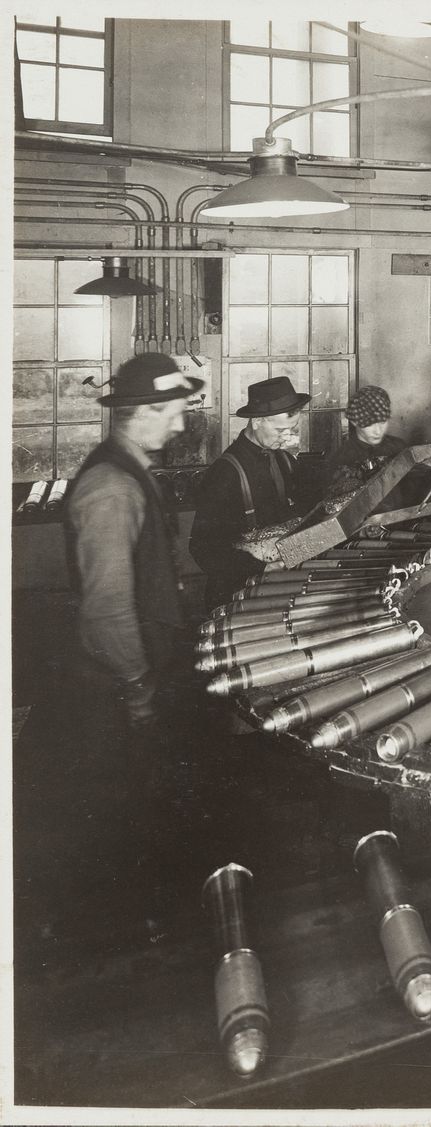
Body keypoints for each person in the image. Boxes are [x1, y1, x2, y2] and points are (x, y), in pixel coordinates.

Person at [46, 353, 201, 938]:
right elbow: (108, 611)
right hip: (113, 688)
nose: (182, 426)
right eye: (176, 413)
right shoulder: (111, 486)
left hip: (137, 674)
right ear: (141, 413)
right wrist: (139, 692)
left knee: (142, 807)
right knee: (121, 813)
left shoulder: (132, 472)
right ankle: (130, 932)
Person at [190, 375, 318, 609]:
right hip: (236, 597)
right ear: (257, 421)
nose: (287, 437)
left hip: (277, 589)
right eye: (280, 430)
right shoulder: (225, 473)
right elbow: (202, 548)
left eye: (292, 430)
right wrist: (258, 568)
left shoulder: (285, 461)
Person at [326, 384, 408, 497]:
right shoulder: (341, 459)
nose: (378, 431)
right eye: (370, 424)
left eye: (382, 422)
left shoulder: (400, 448)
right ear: (354, 421)